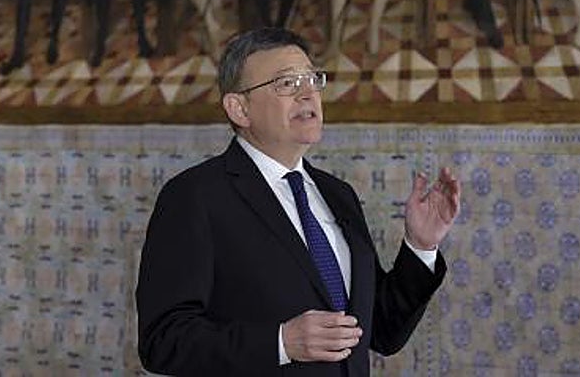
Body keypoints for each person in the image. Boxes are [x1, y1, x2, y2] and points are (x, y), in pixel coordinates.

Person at [137, 27, 458, 376]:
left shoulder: (339, 195)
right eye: (287, 84)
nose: (308, 94)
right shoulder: (194, 196)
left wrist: (421, 246)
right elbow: (163, 341)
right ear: (239, 108)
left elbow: (380, 330)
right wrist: (280, 343)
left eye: (312, 79)